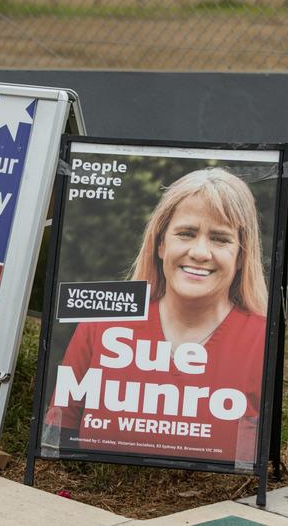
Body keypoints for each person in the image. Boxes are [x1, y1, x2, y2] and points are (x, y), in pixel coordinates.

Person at [46, 167, 268, 464]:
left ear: (241, 255)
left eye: (220, 239)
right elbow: (57, 434)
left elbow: (251, 457)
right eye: (186, 233)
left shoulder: (263, 340)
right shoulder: (102, 320)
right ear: (161, 243)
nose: (200, 252)